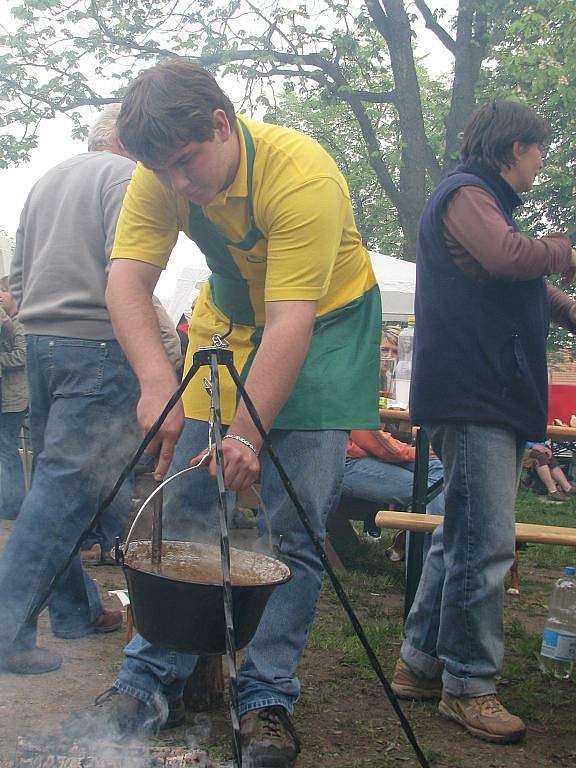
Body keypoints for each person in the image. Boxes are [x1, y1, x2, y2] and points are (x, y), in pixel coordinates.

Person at [73, 60, 381, 767]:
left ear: (222, 123)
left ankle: (265, 700)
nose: (180, 183)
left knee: (294, 526)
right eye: (164, 170)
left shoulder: (301, 175)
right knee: (182, 512)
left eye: (188, 163)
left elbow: (292, 320)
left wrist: (246, 432)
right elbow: (125, 281)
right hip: (229, 321)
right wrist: (158, 382)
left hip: (323, 327)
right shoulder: (160, 177)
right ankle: (148, 683)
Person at [391, 101, 576, 744]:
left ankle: (420, 664)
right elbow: (505, 258)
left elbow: (522, 285)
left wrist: (567, 303)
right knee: (487, 543)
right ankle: (469, 684)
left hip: (481, 394)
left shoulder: (483, 205)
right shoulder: (467, 195)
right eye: (538, 151)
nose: (541, 162)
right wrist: (563, 250)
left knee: (461, 535)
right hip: (473, 394)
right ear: (512, 147)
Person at [0, 106, 139, 675]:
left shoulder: (46, 181)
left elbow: (14, 281)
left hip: (41, 347)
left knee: (58, 487)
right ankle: (6, 631)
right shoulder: (126, 178)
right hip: (98, 348)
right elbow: (126, 273)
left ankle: (76, 611)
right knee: (63, 492)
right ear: (128, 140)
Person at [0, 292, 27, 521]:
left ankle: (13, 504)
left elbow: (22, 356)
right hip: (7, 398)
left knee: (8, 450)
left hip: (14, 399)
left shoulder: (19, 323)